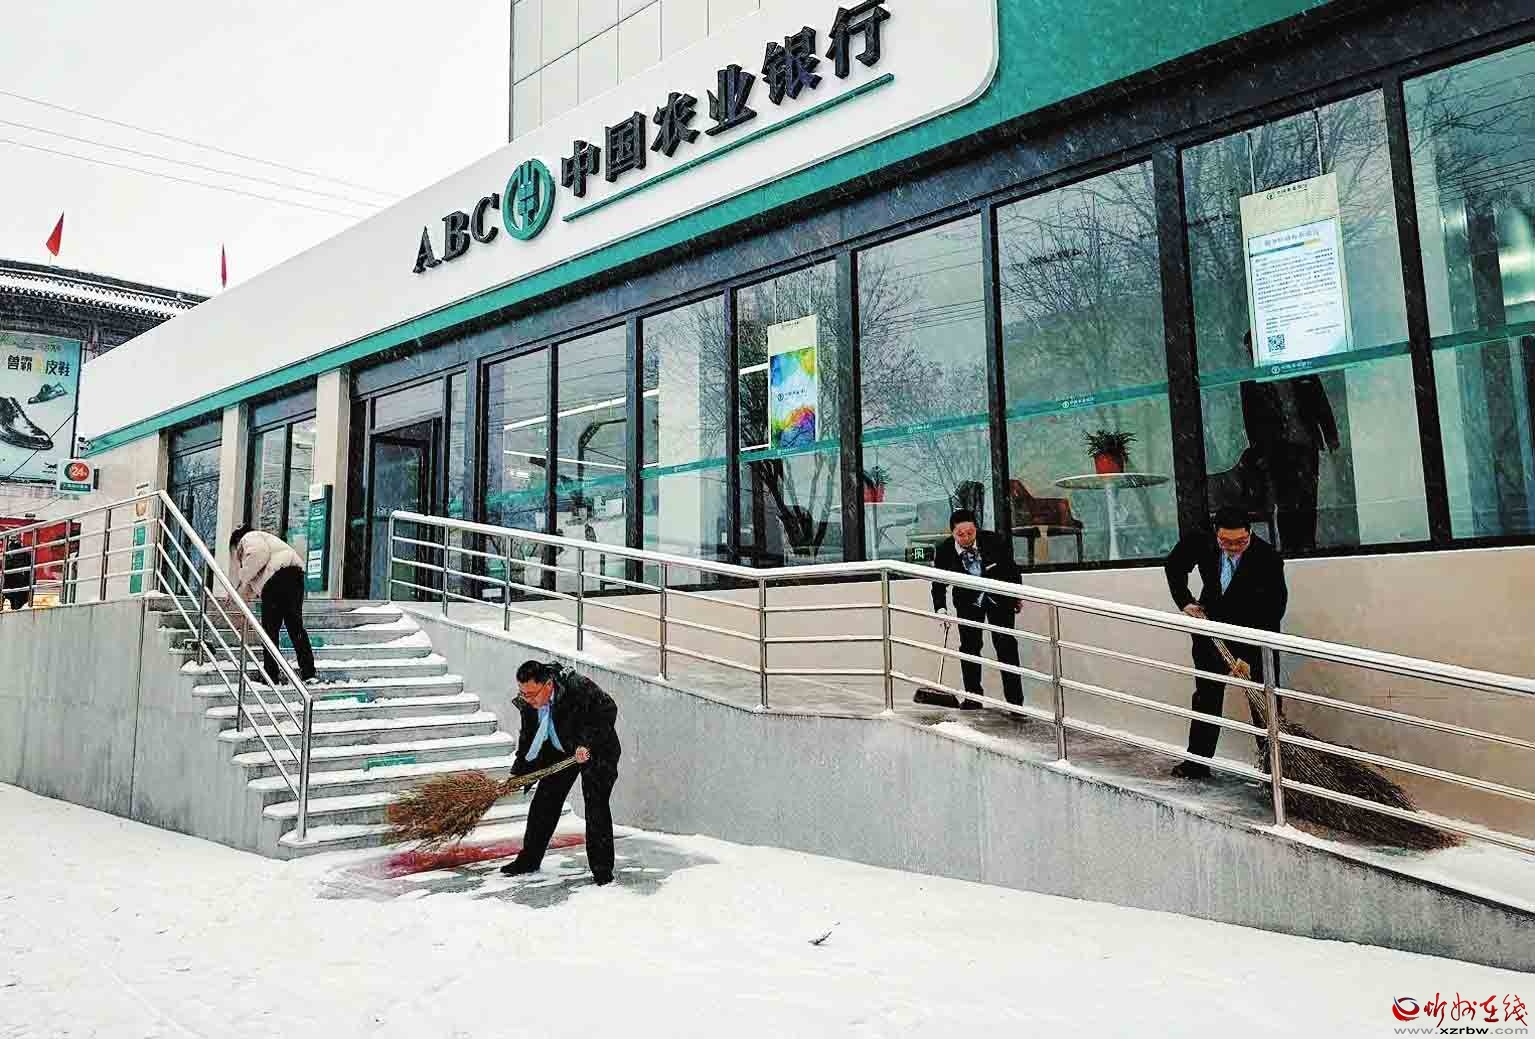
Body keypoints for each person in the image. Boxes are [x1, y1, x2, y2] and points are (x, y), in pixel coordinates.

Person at [1163, 505, 1288, 779]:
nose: (1233, 548)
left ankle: (1274, 770)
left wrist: (1247, 655)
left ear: (1250, 533)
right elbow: (1174, 565)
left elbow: (1273, 610)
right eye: (1226, 542)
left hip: (1255, 636)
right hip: (1212, 634)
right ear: (1216, 534)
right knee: (1206, 698)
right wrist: (1185, 601)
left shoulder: (1268, 558)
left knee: (1265, 704)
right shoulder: (1202, 541)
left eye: (1240, 542)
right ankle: (1197, 763)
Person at [501, 660, 622, 885]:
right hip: (561, 748)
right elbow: (528, 737)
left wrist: (586, 744)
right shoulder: (529, 702)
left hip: (596, 748)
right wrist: (519, 773)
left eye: (531, 694)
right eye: (523, 693)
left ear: (548, 685)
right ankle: (528, 860)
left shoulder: (577, 687)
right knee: (544, 802)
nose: (527, 699)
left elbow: (608, 709)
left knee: (595, 805)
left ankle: (602, 872)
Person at [1240, 332, 1339, 552]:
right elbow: (1251, 422)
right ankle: (1291, 548)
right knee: (1286, 500)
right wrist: (1260, 452)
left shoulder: (1296, 367)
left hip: (1304, 443)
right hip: (1278, 449)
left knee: (1307, 498)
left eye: (1254, 348)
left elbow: (1319, 400)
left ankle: (1306, 545)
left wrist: (1330, 434)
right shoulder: (1251, 381)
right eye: (1250, 350)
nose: (1252, 354)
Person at [929, 508, 1024, 710]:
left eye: (970, 533)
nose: (966, 538)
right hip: (968, 602)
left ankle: (1016, 703)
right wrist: (941, 609)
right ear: (952, 533)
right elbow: (938, 583)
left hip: (999, 599)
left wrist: (1016, 596)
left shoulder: (993, 541)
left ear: (976, 529)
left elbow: (1012, 569)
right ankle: (973, 698)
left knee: (1006, 646)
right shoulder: (945, 550)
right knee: (969, 647)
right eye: (960, 534)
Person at [229, 525, 317, 685]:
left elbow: (259, 554)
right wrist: (236, 597)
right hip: (293, 577)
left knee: (270, 630)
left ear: (237, 542)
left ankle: (271, 674)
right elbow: (251, 585)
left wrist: (242, 576)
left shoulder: (249, 538)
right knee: (295, 627)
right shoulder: (267, 542)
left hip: (276, 581)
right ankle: (308, 672)